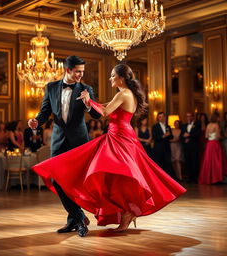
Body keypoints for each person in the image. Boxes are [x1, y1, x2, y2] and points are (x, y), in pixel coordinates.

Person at [32, 64, 186, 235]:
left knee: (114, 174)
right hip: (120, 136)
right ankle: (127, 212)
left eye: (113, 75)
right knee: (119, 177)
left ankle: (126, 212)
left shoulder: (123, 94)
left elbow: (105, 111)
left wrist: (88, 100)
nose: (110, 78)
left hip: (119, 138)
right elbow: (104, 105)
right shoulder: (126, 94)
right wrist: (88, 101)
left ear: (121, 77)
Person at [28, 56, 101, 237]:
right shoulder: (51, 87)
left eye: (82, 72)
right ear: (67, 70)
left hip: (79, 142)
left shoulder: (86, 89)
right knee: (56, 180)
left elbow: (97, 116)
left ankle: (73, 220)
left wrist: (88, 103)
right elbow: (45, 112)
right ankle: (79, 217)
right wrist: (37, 122)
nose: (80, 75)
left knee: (75, 181)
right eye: (77, 71)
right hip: (59, 141)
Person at [199, 112, 227, 184]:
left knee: (208, 161)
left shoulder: (208, 125)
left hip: (209, 144)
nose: (219, 118)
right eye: (218, 117)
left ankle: (209, 179)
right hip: (215, 144)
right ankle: (216, 179)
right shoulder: (216, 125)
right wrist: (224, 137)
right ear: (216, 118)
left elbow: (206, 136)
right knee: (216, 162)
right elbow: (218, 136)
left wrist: (211, 136)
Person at [152, 112, 175, 178]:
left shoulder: (168, 126)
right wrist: (163, 136)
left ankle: (168, 178)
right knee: (159, 164)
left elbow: (171, 137)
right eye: (160, 117)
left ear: (165, 117)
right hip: (158, 149)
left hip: (167, 149)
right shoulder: (155, 126)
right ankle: (159, 178)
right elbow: (154, 137)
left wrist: (169, 135)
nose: (161, 118)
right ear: (158, 118)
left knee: (168, 164)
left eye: (162, 117)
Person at [181, 112, 201, 183]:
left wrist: (189, 136)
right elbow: (181, 135)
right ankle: (189, 178)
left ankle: (195, 178)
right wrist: (184, 137)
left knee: (195, 162)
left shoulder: (197, 125)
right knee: (187, 162)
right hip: (186, 147)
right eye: (187, 116)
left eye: (190, 116)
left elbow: (197, 134)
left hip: (194, 147)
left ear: (193, 117)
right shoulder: (184, 125)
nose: (188, 118)